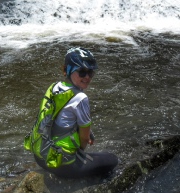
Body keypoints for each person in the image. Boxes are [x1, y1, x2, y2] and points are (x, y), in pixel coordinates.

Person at [34, 47, 119, 178]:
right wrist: (80, 150)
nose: (87, 77)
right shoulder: (81, 98)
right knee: (112, 159)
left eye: (90, 73)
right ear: (67, 70)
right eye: (82, 72)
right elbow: (84, 140)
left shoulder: (54, 87)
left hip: (40, 157)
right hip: (61, 165)